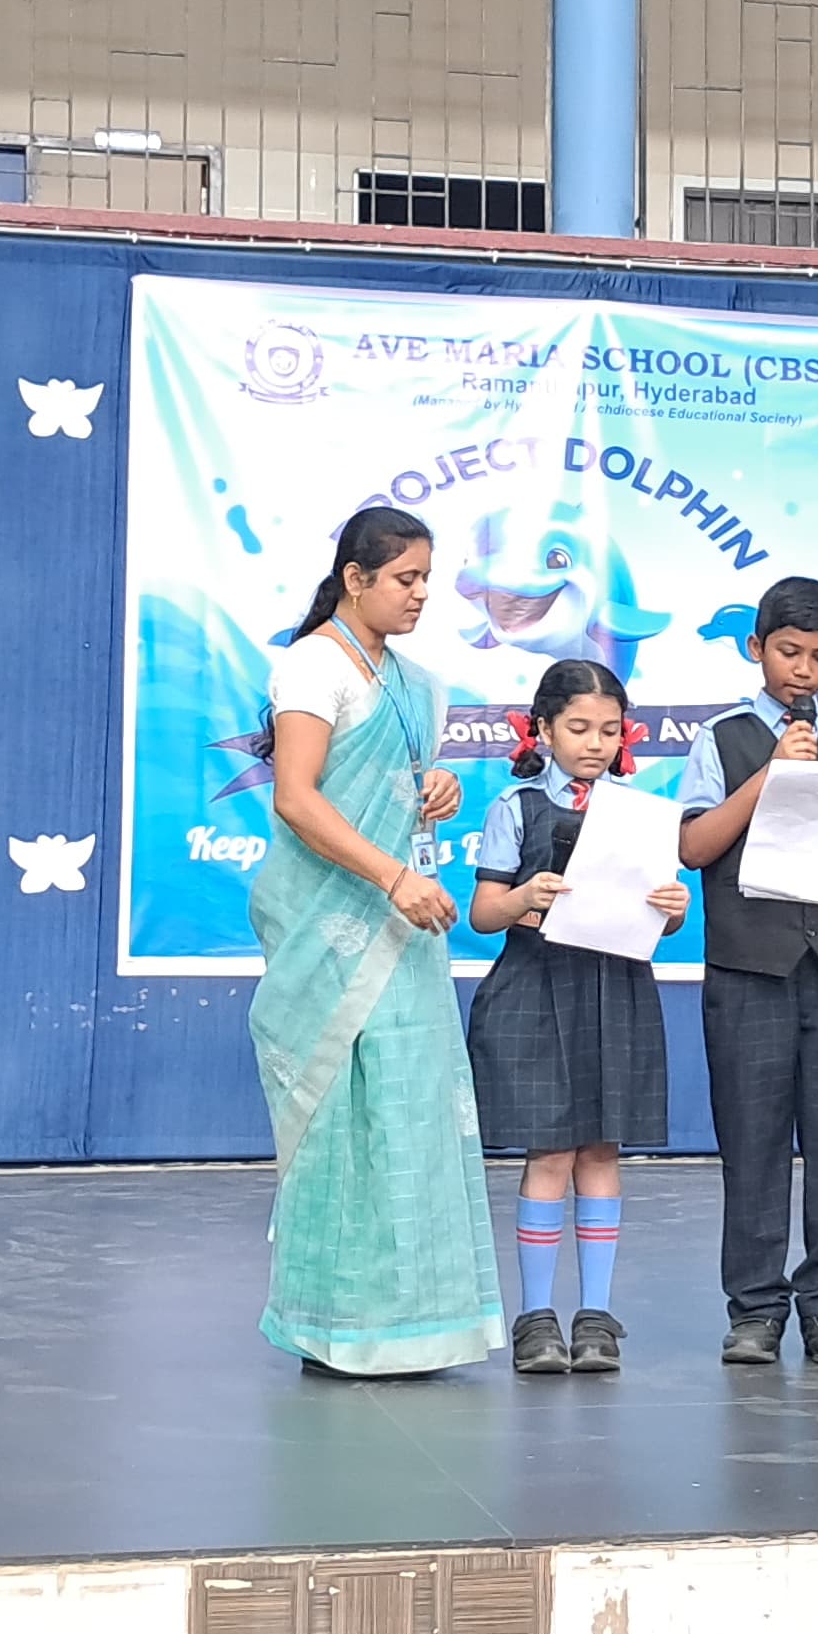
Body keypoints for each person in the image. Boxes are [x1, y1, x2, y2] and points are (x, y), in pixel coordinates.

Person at [249, 507, 507, 1376]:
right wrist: (394, 877)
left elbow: (398, 785)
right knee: (345, 1115)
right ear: (355, 579)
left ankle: (415, 1326)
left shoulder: (412, 681)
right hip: (342, 925)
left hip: (406, 931)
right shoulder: (314, 664)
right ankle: (335, 1324)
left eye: (427, 577)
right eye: (405, 578)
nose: (422, 593)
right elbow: (297, 796)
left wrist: (436, 786)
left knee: (411, 1109)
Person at [677, 577, 818, 1365]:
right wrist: (769, 775)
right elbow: (694, 847)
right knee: (753, 1140)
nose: (803, 670)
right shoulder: (723, 738)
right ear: (756, 648)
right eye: (787, 652)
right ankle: (755, 1307)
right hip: (748, 967)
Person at [465, 661, 687, 1377]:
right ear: (544, 729)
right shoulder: (517, 807)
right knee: (550, 1153)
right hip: (536, 986)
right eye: (579, 728)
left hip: (614, 988)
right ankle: (536, 1318)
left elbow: (658, 917)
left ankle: (595, 1316)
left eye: (609, 730)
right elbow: (484, 913)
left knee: (600, 1152)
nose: (595, 743)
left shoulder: (641, 814)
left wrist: (673, 911)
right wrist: (525, 896)